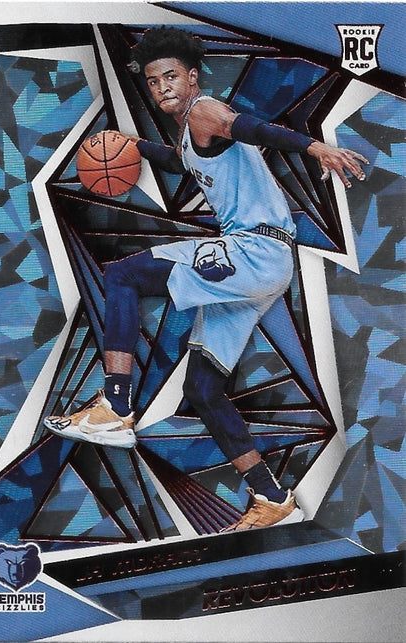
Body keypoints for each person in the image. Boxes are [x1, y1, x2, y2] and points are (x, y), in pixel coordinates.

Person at [44, 27, 368, 530]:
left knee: (124, 275)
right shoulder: (192, 132)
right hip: (261, 264)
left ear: (192, 77)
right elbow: (182, 162)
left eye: (171, 76)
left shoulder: (204, 110)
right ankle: (272, 498)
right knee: (202, 387)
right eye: (154, 82)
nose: (163, 88)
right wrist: (134, 146)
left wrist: (313, 148)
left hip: (252, 251)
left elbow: (254, 128)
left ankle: (116, 404)